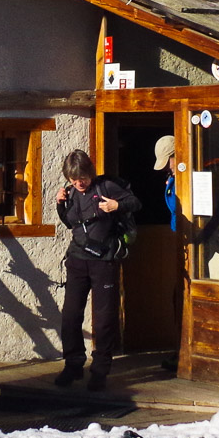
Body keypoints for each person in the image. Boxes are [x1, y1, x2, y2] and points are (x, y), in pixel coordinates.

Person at [53, 148, 139, 391]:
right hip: (78, 260)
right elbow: (70, 223)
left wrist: (116, 205)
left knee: (103, 319)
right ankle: (73, 365)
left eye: (83, 178)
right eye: (73, 179)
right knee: (70, 315)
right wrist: (61, 204)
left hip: (104, 260)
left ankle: (100, 370)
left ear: (90, 172)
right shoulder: (70, 192)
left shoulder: (107, 186)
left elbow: (136, 202)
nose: (79, 183)